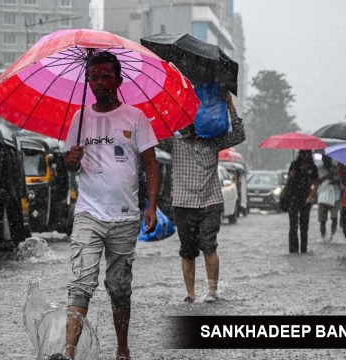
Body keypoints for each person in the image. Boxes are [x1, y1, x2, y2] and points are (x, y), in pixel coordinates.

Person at [58, 51, 160, 360]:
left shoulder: (135, 117)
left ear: (118, 79)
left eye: (105, 76)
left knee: (119, 287)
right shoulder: (79, 118)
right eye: (94, 77)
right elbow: (71, 165)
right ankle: (69, 351)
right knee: (80, 283)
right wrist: (70, 161)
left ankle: (122, 348)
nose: (99, 82)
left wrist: (151, 207)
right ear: (87, 81)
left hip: (125, 217)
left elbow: (152, 166)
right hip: (88, 213)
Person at [159, 119, 227, 304]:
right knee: (187, 251)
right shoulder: (174, 143)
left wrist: (230, 106)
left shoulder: (213, 141)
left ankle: (212, 292)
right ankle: (191, 294)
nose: (186, 125)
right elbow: (154, 135)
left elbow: (238, 135)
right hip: (184, 204)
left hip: (210, 202)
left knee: (209, 246)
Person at [285, 150, 319, 253]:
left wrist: (310, 196)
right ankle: (293, 250)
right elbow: (289, 180)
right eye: (302, 154)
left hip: (305, 199)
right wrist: (291, 175)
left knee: (304, 227)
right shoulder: (294, 165)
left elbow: (316, 182)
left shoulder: (312, 167)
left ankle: (303, 250)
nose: (304, 156)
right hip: (293, 198)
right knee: (293, 226)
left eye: (306, 154)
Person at [316, 156, 342, 241]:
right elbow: (317, 181)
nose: (326, 160)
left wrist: (334, 179)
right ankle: (323, 238)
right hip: (322, 196)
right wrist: (327, 176)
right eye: (324, 159)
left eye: (327, 159)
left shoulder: (336, 168)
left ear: (330, 159)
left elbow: (340, 181)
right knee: (322, 220)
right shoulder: (319, 169)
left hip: (335, 196)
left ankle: (332, 237)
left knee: (334, 218)